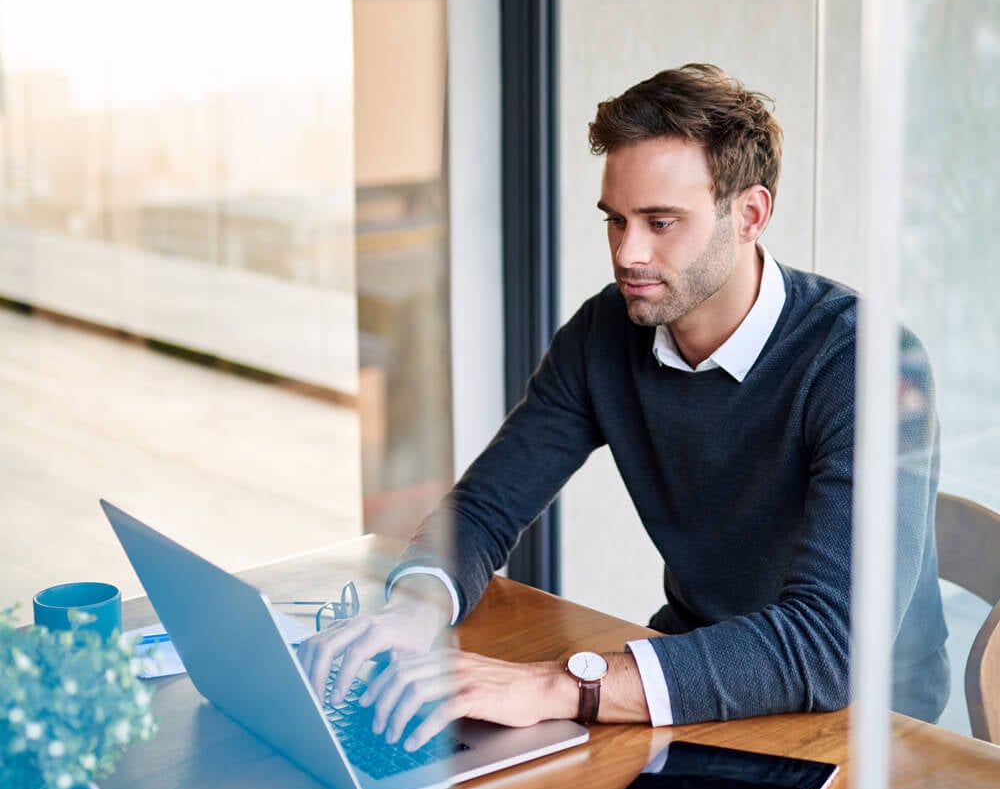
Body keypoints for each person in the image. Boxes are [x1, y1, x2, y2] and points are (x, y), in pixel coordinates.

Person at [298, 63, 949, 751]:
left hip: (868, 726)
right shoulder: (607, 333)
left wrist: (560, 684)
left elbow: (829, 646)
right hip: (693, 681)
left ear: (750, 215)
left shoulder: (863, 362)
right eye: (616, 221)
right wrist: (411, 609)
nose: (628, 253)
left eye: (660, 222)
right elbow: (487, 507)